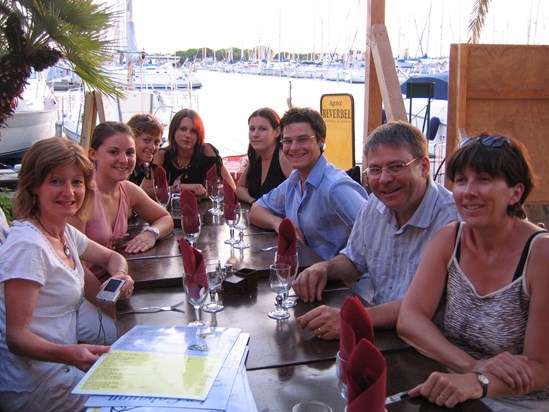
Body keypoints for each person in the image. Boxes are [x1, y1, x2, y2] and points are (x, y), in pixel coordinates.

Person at [397, 133, 549, 410]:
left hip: (518, 403)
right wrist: (472, 366)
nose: (468, 192)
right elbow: (410, 319)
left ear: (515, 192)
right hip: (451, 385)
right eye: (461, 180)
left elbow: (542, 368)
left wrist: (480, 382)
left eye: (484, 180)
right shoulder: (449, 239)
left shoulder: (541, 255)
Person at [0, 137, 133, 411]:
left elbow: (110, 257)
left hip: (61, 366)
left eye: (77, 182)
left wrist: (119, 274)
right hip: (36, 384)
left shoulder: (62, 231)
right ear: (35, 185)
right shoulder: (28, 246)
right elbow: (17, 337)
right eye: (56, 181)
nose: (69, 192)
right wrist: (71, 354)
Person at [294, 121, 458, 339]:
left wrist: (352, 318)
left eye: (396, 167)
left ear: (424, 167)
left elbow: (429, 305)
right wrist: (324, 268)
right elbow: (354, 261)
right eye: (375, 170)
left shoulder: (453, 220)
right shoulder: (374, 205)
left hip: (429, 347)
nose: (384, 179)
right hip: (382, 335)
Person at [249, 107, 368, 260]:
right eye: (287, 141)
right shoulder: (295, 180)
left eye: (303, 139)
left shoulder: (335, 186)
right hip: (305, 270)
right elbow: (256, 210)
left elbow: (375, 234)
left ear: (321, 140)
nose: (293, 148)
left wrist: (344, 270)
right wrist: (279, 223)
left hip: (339, 279)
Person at [70, 121, 173, 283]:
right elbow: (74, 263)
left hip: (117, 280)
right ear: (93, 154)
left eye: (130, 153)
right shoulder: (81, 196)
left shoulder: (127, 189)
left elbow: (165, 219)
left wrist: (151, 233)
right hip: (85, 290)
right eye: (114, 152)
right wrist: (104, 303)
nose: (124, 160)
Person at [144, 109, 236, 198]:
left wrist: (205, 193)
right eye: (183, 129)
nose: (188, 135)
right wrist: (178, 188)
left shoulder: (207, 151)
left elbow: (232, 188)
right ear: (174, 131)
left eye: (193, 131)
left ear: (199, 135)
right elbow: (145, 192)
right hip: (171, 211)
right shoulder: (162, 155)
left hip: (204, 210)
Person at [236, 107, 292, 204]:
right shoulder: (256, 157)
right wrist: (254, 202)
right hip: (258, 216)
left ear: (277, 132)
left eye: (262, 129)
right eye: (252, 129)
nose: (255, 134)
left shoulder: (283, 158)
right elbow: (240, 189)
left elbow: (301, 193)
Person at [126, 113, 163, 193]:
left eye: (156, 142)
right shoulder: (123, 169)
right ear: (131, 139)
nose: (152, 147)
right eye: (147, 140)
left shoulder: (145, 169)